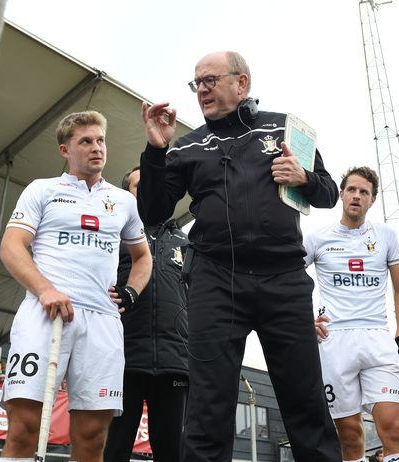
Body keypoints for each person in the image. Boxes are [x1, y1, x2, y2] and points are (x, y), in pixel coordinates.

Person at [138, 50, 341, 461]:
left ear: (241, 82)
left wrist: (304, 178)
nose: (202, 90)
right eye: (197, 83)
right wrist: (156, 152)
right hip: (215, 281)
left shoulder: (285, 127)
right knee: (208, 405)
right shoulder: (186, 146)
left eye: (211, 80)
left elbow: (328, 192)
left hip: (283, 277)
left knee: (304, 400)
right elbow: (154, 212)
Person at [0, 111, 152, 462]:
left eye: (100, 140)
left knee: (92, 436)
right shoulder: (42, 189)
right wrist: (45, 289)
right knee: (23, 429)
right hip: (45, 314)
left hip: (102, 323)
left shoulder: (124, 201)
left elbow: (143, 258)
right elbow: (11, 247)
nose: (97, 148)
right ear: (65, 149)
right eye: (86, 141)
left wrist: (130, 292)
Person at [306, 166, 399, 462]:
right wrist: (305, 320)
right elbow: (286, 279)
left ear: (373, 199)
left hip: (377, 339)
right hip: (334, 341)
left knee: (395, 430)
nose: (357, 196)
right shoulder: (317, 238)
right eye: (352, 190)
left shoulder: (386, 236)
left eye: (364, 192)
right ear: (341, 194)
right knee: (350, 437)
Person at [103, 166, 189, 462]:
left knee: (172, 451)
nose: (149, 189)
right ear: (126, 193)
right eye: (140, 185)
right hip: (123, 359)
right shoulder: (113, 236)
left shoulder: (187, 243)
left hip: (174, 361)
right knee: (114, 448)